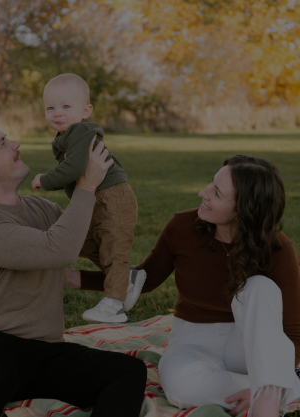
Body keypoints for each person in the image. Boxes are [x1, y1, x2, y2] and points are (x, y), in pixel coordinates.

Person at [0, 120, 147, 417]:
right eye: (2, 144)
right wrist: (86, 185)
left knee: (127, 371)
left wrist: (114, 205)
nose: (15, 145)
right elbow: (58, 249)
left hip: (47, 350)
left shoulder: (42, 209)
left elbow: (92, 246)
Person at [65, 155, 300, 417]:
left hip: (246, 341)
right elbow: (143, 280)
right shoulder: (182, 227)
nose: (203, 193)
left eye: (216, 193)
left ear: (244, 210)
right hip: (192, 338)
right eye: (211, 184)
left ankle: (266, 403)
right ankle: (277, 387)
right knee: (181, 389)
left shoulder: (277, 247)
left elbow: (293, 333)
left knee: (259, 286)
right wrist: (73, 278)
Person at [31, 73, 146, 323]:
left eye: (66, 106)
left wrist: (45, 179)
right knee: (91, 244)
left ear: (86, 111)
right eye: (50, 107)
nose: (56, 112)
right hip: (96, 199)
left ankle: (113, 304)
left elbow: (74, 168)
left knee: (114, 248)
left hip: (113, 197)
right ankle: (128, 276)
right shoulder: (66, 136)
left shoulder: (81, 130)